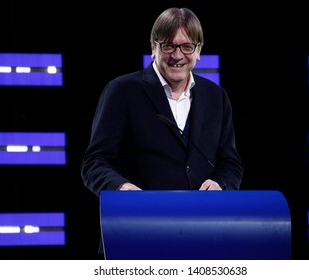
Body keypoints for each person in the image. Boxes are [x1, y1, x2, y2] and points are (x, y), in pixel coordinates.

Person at [81, 7, 243, 194]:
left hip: (202, 217)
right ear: (153, 48)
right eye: (168, 45)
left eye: (187, 47)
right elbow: (94, 162)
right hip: (142, 216)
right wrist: (121, 187)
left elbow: (231, 164)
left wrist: (219, 182)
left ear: (199, 51)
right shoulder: (121, 91)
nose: (177, 55)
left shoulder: (216, 97)